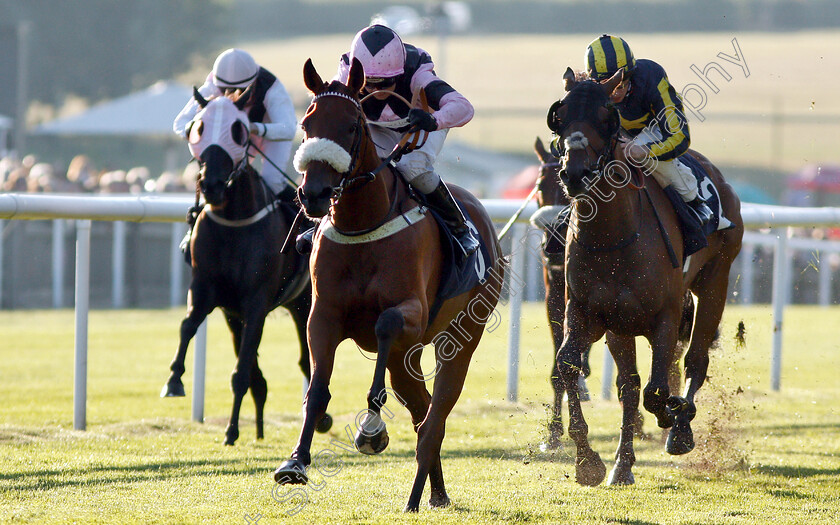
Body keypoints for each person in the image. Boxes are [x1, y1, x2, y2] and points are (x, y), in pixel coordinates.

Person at [301, 24, 478, 257]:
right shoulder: (346, 74)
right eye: (370, 83)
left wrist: (433, 120)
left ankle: (459, 227)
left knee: (412, 169)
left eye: (385, 83)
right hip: (376, 126)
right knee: (357, 165)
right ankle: (320, 221)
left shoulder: (418, 74)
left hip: (423, 125)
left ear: (399, 73)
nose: (376, 89)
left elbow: (464, 108)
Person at [173, 48, 299, 261]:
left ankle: (303, 225)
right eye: (224, 89)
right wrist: (200, 126)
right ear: (217, 82)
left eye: (239, 90)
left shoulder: (272, 88)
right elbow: (180, 124)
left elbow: (288, 128)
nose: (230, 95)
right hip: (233, 136)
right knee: (217, 176)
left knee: (272, 181)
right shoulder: (212, 84)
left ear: (253, 83)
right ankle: (194, 229)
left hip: (268, 132)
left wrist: (254, 128)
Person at [585, 34, 713, 225]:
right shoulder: (586, 90)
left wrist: (645, 151)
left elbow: (680, 137)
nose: (617, 91)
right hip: (618, 135)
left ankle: (695, 202)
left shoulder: (652, 77)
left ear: (632, 74)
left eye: (623, 82)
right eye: (609, 86)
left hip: (656, 131)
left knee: (642, 151)